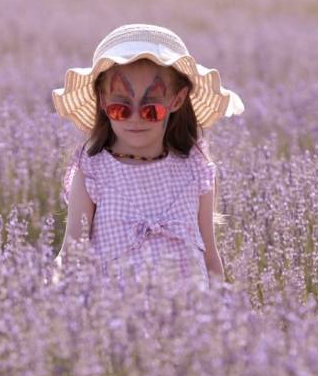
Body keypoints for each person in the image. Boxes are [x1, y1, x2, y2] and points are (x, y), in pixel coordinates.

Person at [51, 23, 245, 290]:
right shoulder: (93, 171)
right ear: (102, 101)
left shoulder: (195, 169)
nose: (135, 118)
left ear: (176, 101)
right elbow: (72, 251)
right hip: (115, 318)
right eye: (120, 108)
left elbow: (210, 256)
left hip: (190, 319)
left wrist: (222, 308)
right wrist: (54, 292)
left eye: (151, 109)